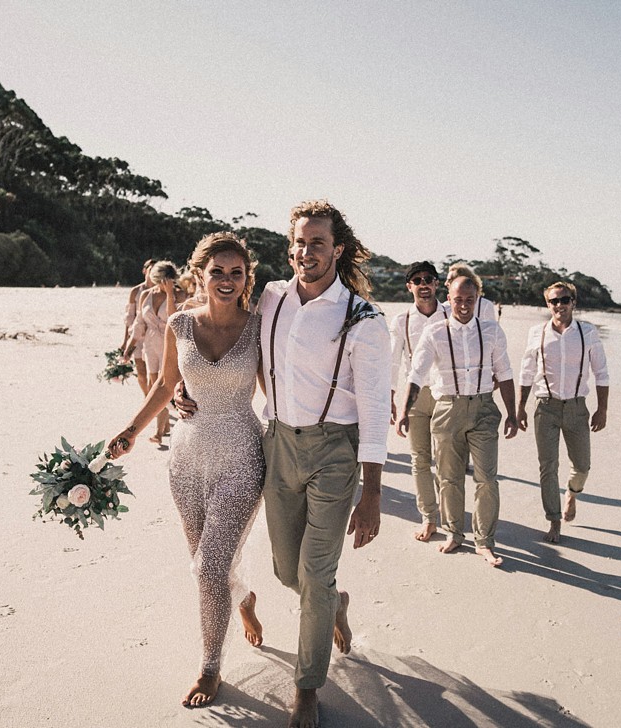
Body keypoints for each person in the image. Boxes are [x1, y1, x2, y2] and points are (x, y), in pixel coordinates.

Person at [177, 199, 390, 728]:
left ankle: (308, 687)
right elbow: (223, 345)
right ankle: (335, 603)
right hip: (275, 445)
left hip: (335, 452)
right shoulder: (271, 297)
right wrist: (186, 387)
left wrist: (373, 492)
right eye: (298, 241)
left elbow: (375, 409)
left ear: (337, 249)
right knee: (286, 570)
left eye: (317, 242)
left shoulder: (364, 319)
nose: (305, 251)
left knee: (313, 577)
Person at [106, 232, 265, 709]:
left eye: (236, 273)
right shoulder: (178, 323)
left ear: (246, 279)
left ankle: (210, 667)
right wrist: (132, 431)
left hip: (241, 455)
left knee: (209, 567)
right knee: (206, 566)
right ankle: (243, 600)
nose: (227, 280)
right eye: (217, 271)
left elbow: (279, 392)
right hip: (187, 457)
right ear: (200, 274)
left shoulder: (259, 327)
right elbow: (163, 383)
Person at [398, 276, 518, 566]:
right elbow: (416, 375)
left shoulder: (491, 330)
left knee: (487, 478)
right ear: (448, 299)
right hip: (447, 409)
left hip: (483, 408)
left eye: (469, 300)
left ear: (477, 299)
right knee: (449, 478)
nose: (464, 305)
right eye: (458, 299)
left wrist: (513, 413)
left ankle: (485, 541)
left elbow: (504, 373)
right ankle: (453, 533)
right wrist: (404, 410)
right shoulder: (435, 333)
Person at [517, 281, 610, 544]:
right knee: (548, 467)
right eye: (554, 301)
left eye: (565, 300)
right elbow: (526, 372)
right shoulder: (537, 333)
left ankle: (572, 493)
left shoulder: (588, 332)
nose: (560, 305)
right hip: (545, 406)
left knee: (582, 465)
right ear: (548, 304)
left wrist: (602, 409)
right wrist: (520, 408)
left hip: (577, 407)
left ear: (573, 303)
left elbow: (601, 372)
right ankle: (554, 520)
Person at [389, 261, 443, 541]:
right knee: (420, 459)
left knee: (446, 461)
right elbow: (393, 361)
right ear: (409, 286)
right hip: (416, 396)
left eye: (429, 279)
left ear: (436, 284)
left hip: (448, 395)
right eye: (418, 280)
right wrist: (391, 398)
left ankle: (450, 511)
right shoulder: (402, 321)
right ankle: (428, 517)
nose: (424, 285)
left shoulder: (450, 315)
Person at [133, 260, 187, 447]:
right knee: (151, 386)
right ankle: (162, 427)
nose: (164, 284)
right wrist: (130, 346)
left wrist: (170, 294)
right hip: (150, 344)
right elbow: (139, 322)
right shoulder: (146, 295)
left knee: (165, 386)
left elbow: (174, 319)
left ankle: (158, 432)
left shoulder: (180, 295)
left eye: (168, 281)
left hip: (169, 344)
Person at [121, 259, 155, 392]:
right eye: (150, 269)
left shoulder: (160, 291)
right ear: (144, 271)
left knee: (154, 371)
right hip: (137, 335)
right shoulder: (136, 291)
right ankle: (147, 397)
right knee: (141, 371)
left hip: (154, 335)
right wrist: (125, 341)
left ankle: (154, 401)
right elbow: (129, 317)